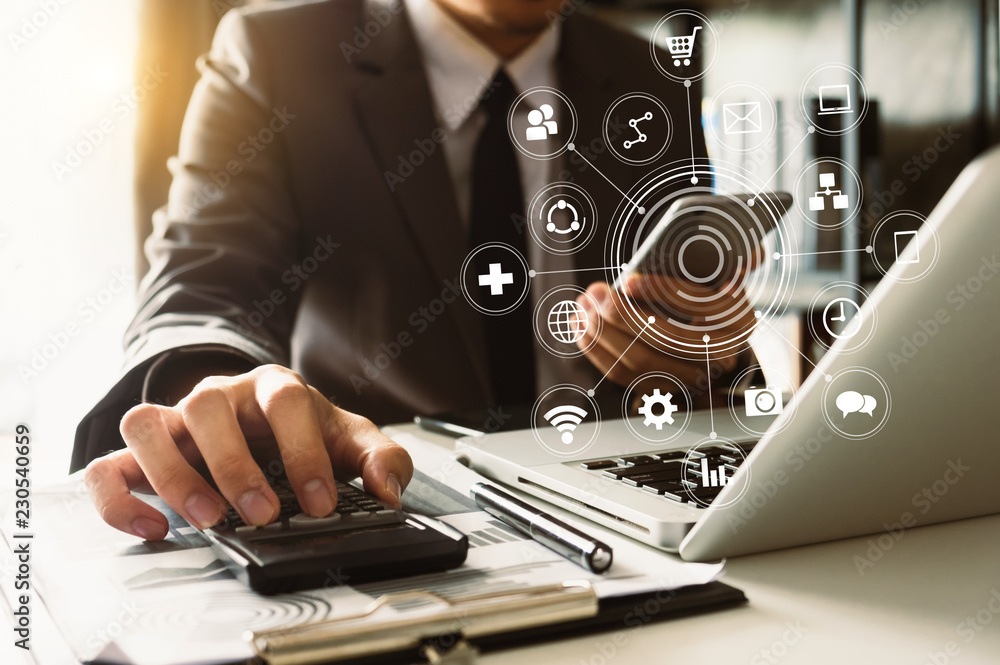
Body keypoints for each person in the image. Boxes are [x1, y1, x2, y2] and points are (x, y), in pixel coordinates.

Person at [76, 0, 746, 542]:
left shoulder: (648, 71)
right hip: (392, 501)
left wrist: (702, 354)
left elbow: (689, 314)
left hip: (625, 503)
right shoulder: (276, 54)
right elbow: (201, 286)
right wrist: (217, 391)